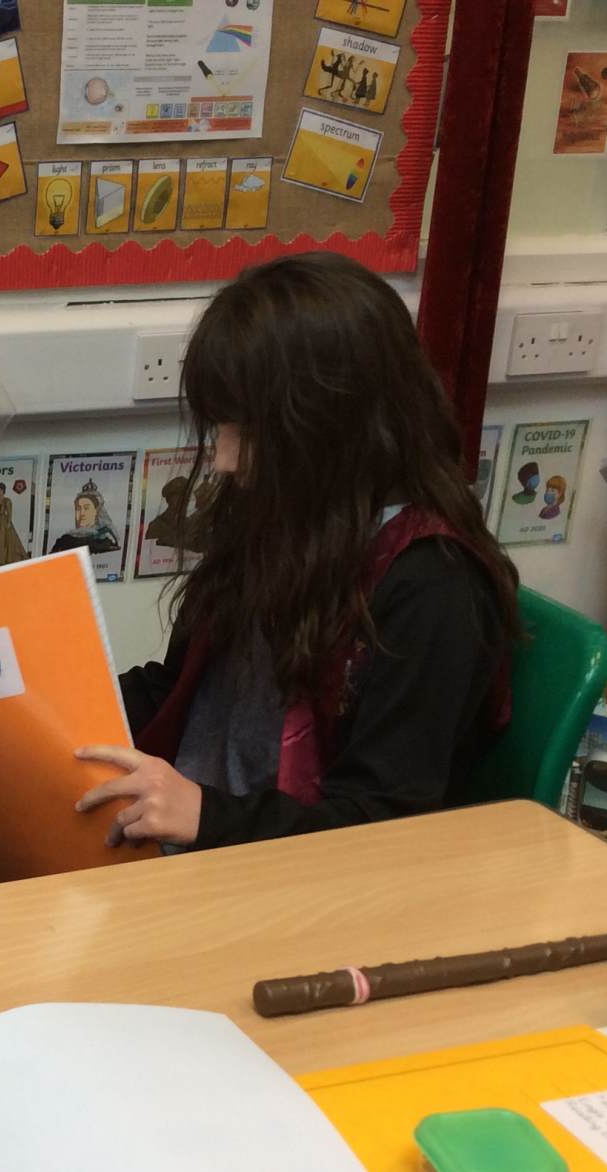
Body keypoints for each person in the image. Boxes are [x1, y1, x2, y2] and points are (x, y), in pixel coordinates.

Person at [77, 252, 517, 852]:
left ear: (331, 428)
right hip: (195, 833)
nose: (223, 460)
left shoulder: (434, 588)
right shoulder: (283, 521)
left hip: (279, 871)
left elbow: (380, 823)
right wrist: (55, 707)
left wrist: (206, 815)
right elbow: (182, 691)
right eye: (221, 427)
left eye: (247, 431)